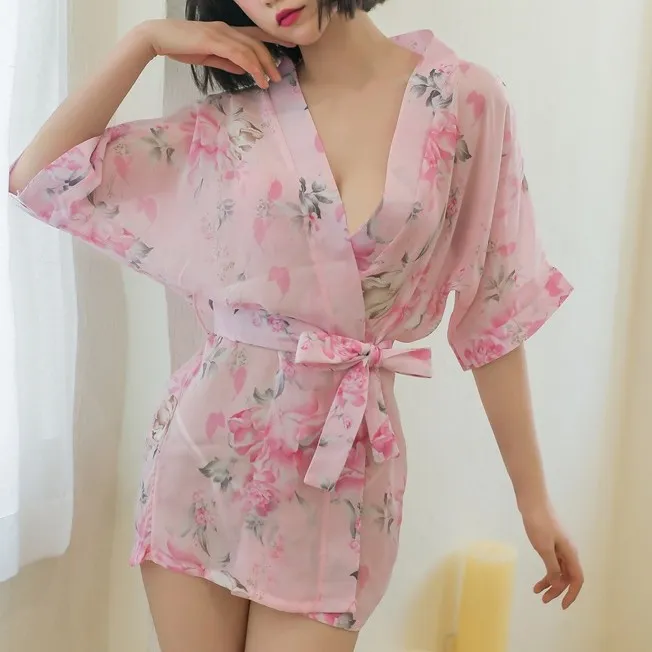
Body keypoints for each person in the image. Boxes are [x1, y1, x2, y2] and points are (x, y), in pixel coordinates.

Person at [8, 1, 584, 650]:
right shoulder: (235, 121)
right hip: (204, 462)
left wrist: (534, 501)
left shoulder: (464, 99)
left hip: (341, 478)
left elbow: (494, 312)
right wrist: (143, 42)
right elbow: (39, 177)